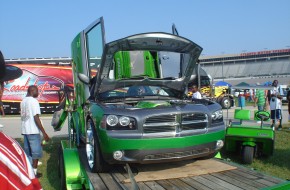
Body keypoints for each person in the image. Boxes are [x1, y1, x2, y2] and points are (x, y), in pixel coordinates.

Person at [21, 85, 50, 177]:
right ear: (32, 91)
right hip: (33, 131)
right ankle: (34, 173)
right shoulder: (34, 101)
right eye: (37, 91)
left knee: (28, 153)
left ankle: (28, 173)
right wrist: (44, 133)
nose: (38, 93)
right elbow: (36, 117)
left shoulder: (23, 101)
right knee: (36, 153)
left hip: (25, 130)